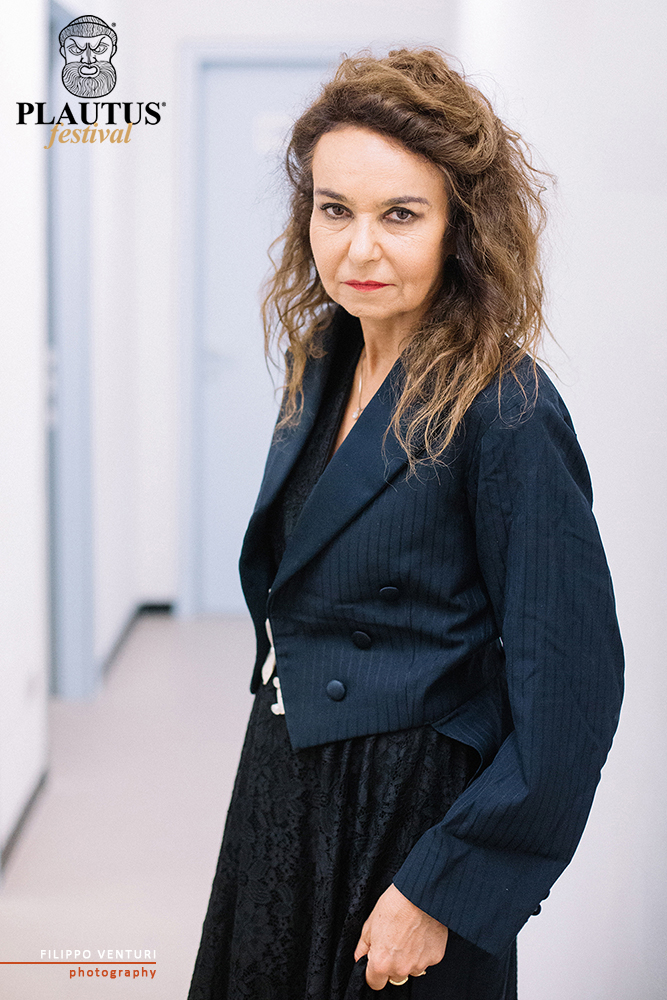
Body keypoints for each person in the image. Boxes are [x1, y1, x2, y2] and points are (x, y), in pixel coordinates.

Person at [188, 48, 624, 1000]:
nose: (358, 250)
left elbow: (572, 690)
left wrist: (446, 886)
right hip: (288, 774)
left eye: (399, 215)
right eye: (333, 210)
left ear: (460, 227)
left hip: (411, 810)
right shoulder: (321, 360)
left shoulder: (505, 408)